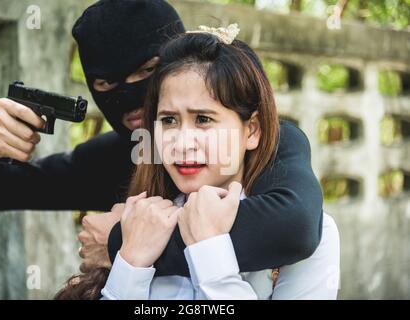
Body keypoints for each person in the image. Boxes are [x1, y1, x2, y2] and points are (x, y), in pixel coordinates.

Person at [0, 0, 323, 278]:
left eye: (147, 71)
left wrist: (122, 242)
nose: (129, 98)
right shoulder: (122, 154)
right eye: (105, 84)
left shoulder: (259, 140)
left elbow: (294, 228)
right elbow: (4, 189)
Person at [55, 29, 340, 300]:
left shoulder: (317, 236)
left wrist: (210, 252)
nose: (182, 143)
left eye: (203, 119)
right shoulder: (141, 223)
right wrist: (131, 263)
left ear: (251, 130)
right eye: (168, 120)